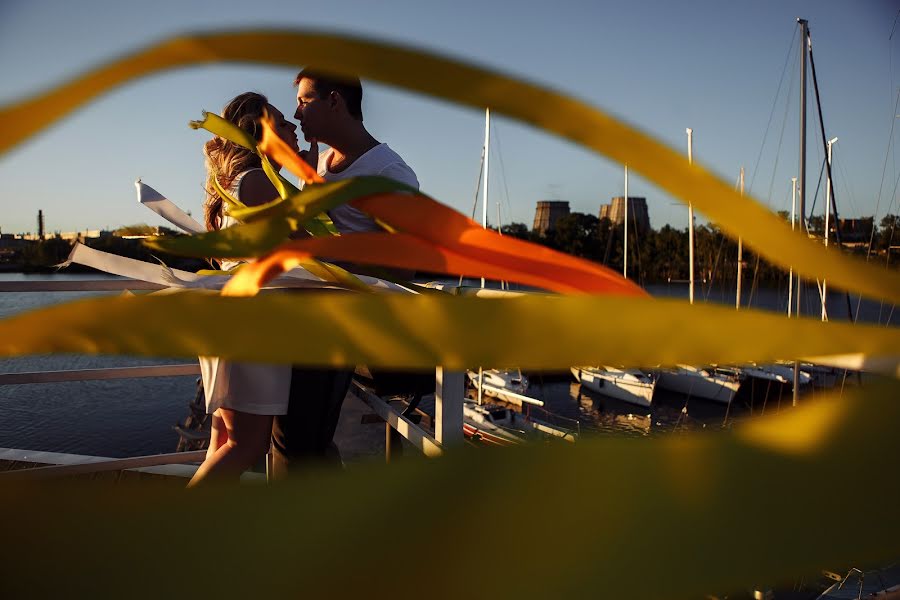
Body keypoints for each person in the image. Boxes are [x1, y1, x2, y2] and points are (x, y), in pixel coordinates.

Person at [268, 70, 420, 477]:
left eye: (304, 101)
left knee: (298, 443)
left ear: (334, 101)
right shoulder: (320, 163)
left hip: (343, 327)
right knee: (297, 442)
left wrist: (330, 262)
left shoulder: (388, 174)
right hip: (305, 320)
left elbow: (407, 260)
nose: (296, 113)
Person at [189, 91, 301, 487]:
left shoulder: (232, 182)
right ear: (261, 131)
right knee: (246, 446)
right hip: (256, 323)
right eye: (285, 123)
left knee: (224, 440)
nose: (294, 128)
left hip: (232, 315)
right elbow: (313, 242)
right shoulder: (258, 183)